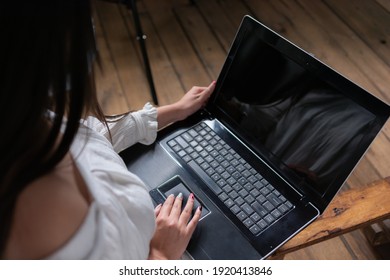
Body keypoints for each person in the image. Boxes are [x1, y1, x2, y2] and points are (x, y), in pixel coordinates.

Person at [0, 0, 216, 259]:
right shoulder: (44, 214)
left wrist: (174, 111)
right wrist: (161, 255)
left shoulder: (22, 115)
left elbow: (87, 136)